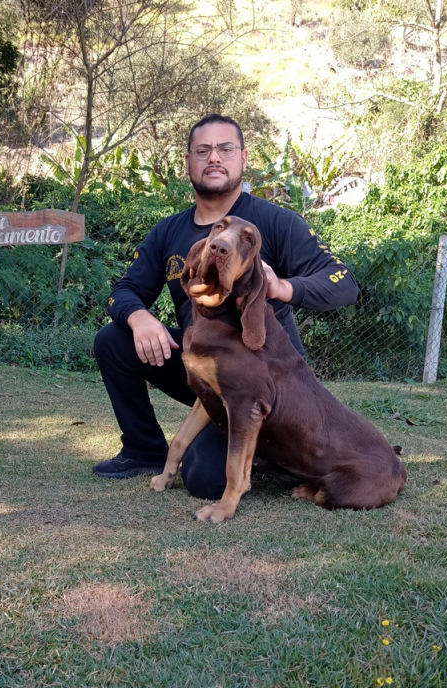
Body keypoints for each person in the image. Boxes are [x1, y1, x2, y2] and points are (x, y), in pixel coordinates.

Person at [92, 113, 359, 499]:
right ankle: (143, 449)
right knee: (112, 340)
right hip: (203, 367)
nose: (214, 157)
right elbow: (123, 289)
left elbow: (343, 282)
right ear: (188, 162)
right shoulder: (168, 230)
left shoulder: (276, 222)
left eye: (225, 149)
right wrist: (140, 318)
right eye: (203, 150)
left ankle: (276, 451)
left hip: (264, 377)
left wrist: (282, 286)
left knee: (204, 478)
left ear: (243, 158)